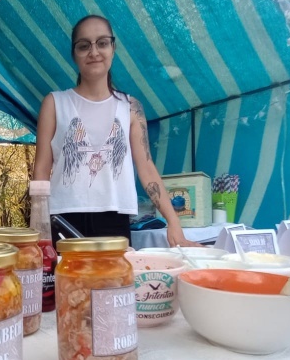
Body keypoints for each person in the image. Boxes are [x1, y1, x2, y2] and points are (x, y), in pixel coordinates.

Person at [32, 15, 199, 248]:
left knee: (112, 283)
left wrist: (173, 220)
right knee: (68, 284)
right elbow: (41, 169)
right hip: (63, 217)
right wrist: (38, 229)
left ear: (113, 47)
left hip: (114, 219)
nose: (94, 52)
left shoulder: (131, 108)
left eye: (102, 42)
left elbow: (147, 168)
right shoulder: (54, 103)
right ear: (74, 54)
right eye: (84, 45)